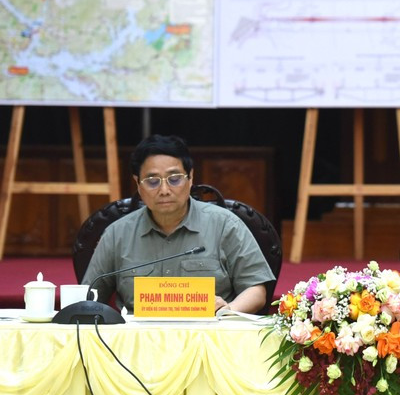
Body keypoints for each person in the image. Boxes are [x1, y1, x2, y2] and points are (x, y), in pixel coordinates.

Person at [83, 134, 275, 313]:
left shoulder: (225, 225)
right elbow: (88, 297)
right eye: (152, 181)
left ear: (190, 178)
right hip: (137, 337)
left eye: (174, 179)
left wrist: (227, 311)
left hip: (210, 334)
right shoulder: (117, 233)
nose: (164, 190)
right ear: (138, 184)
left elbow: (256, 290)